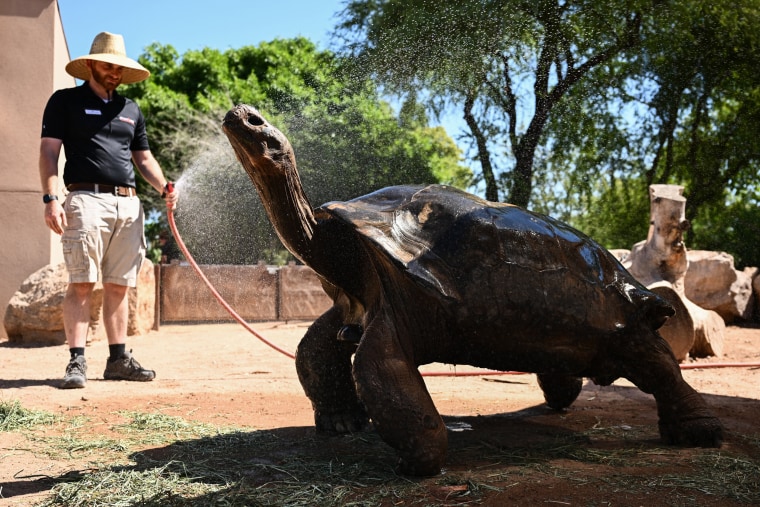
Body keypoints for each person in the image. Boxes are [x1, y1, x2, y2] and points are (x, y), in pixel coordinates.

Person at [39, 32, 179, 389]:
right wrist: (50, 198)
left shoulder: (131, 109)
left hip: (129, 204)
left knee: (119, 285)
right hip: (85, 200)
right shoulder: (64, 102)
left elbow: (143, 158)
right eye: (107, 66)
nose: (114, 73)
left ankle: (118, 359)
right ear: (90, 65)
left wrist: (163, 187)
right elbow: (49, 153)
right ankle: (77, 362)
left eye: (119, 68)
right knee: (82, 282)